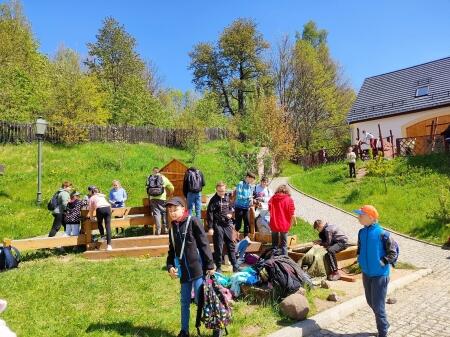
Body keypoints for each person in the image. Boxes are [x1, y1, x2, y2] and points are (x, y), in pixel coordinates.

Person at [166, 197, 215, 337]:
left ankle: (216, 326)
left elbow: (204, 244)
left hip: (197, 269)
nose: (172, 213)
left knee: (201, 299)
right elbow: (171, 251)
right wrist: (170, 266)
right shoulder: (172, 228)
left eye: (175, 210)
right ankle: (184, 330)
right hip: (184, 272)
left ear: (183, 208)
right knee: (184, 301)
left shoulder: (192, 221)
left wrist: (210, 265)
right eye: (170, 211)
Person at [354, 205, 398, 337]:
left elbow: (393, 253)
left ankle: (383, 331)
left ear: (371, 217)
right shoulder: (361, 232)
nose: (358, 217)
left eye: (361, 215)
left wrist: (382, 262)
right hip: (366, 273)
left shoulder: (382, 234)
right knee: (370, 302)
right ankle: (385, 324)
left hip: (380, 275)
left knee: (378, 306)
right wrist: (360, 259)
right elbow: (360, 248)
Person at [207, 181, 239, 273]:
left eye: (223, 191)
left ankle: (235, 265)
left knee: (231, 244)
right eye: (220, 191)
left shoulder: (228, 197)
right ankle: (218, 267)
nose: (221, 193)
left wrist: (230, 213)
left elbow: (231, 207)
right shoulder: (213, 200)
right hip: (218, 225)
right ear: (216, 190)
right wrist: (210, 227)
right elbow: (210, 214)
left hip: (227, 224)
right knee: (219, 246)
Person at [268, 185, 295, 255]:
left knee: (274, 245)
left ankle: (273, 260)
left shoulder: (273, 198)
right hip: (284, 225)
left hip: (274, 223)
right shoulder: (289, 200)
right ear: (287, 191)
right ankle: (285, 261)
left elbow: (269, 208)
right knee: (284, 245)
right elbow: (292, 213)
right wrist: (291, 225)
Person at [146, 167, 174, 235]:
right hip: (162, 198)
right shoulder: (163, 178)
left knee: (156, 213)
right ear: (159, 171)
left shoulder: (149, 178)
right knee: (164, 212)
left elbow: (147, 188)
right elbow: (171, 187)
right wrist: (170, 195)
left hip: (153, 198)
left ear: (153, 171)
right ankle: (165, 229)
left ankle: (158, 230)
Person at [234, 172, 256, 238]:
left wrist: (251, 199)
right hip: (239, 206)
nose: (252, 181)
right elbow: (238, 196)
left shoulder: (249, 186)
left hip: (246, 207)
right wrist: (247, 197)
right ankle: (235, 238)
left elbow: (250, 195)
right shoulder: (240, 184)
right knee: (238, 224)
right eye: (251, 180)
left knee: (247, 223)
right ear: (247, 177)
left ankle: (246, 238)